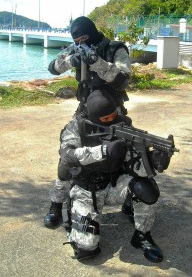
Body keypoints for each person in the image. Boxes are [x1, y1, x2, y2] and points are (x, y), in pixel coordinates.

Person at [57, 89, 170, 263]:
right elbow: (68, 156)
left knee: (146, 188)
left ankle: (142, 235)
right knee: (86, 251)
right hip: (85, 191)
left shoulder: (123, 125)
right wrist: (104, 151)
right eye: (105, 119)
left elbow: (135, 166)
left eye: (113, 115)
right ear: (94, 117)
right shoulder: (76, 127)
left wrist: (153, 161)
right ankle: (73, 217)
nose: (111, 121)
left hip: (114, 185)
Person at [44, 16, 131, 228]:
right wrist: (70, 60)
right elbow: (52, 68)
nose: (81, 42)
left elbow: (123, 79)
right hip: (84, 111)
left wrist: (97, 63)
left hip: (111, 111)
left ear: (92, 32)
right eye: (77, 39)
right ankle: (56, 203)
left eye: (84, 38)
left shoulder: (114, 49)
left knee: (126, 154)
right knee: (68, 155)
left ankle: (130, 200)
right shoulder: (76, 48)